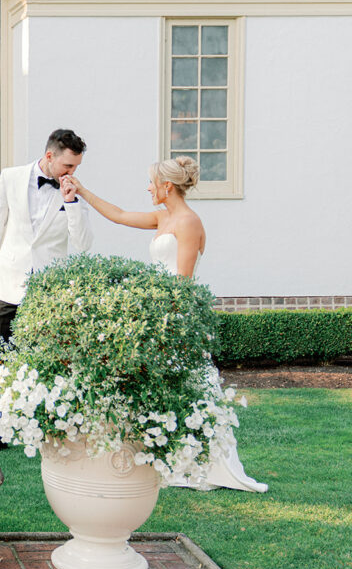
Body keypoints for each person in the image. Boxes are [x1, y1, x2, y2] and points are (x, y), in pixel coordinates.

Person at [62, 156, 268, 493]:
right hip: (158, 315)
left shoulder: (188, 223)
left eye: (151, 183)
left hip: (177, 319)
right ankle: (171, 458)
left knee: (190, 391)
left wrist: (163, 321)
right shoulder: (163, 218)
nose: (148, 188)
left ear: (166, 186)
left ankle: (203, 463)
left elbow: (183, 283)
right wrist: (81, 190)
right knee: (164, 392)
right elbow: (118, 214)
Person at [0, 129, 95, 449]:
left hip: (48, 292)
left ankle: (45, 430)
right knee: (2, 359)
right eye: (68, 166)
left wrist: (71, 202)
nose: (72, 173)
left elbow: (84, 243)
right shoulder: (11, 178)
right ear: (49, 157)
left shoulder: (72, 191)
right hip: (8, 282)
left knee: (48, 362)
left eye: (76, 167)